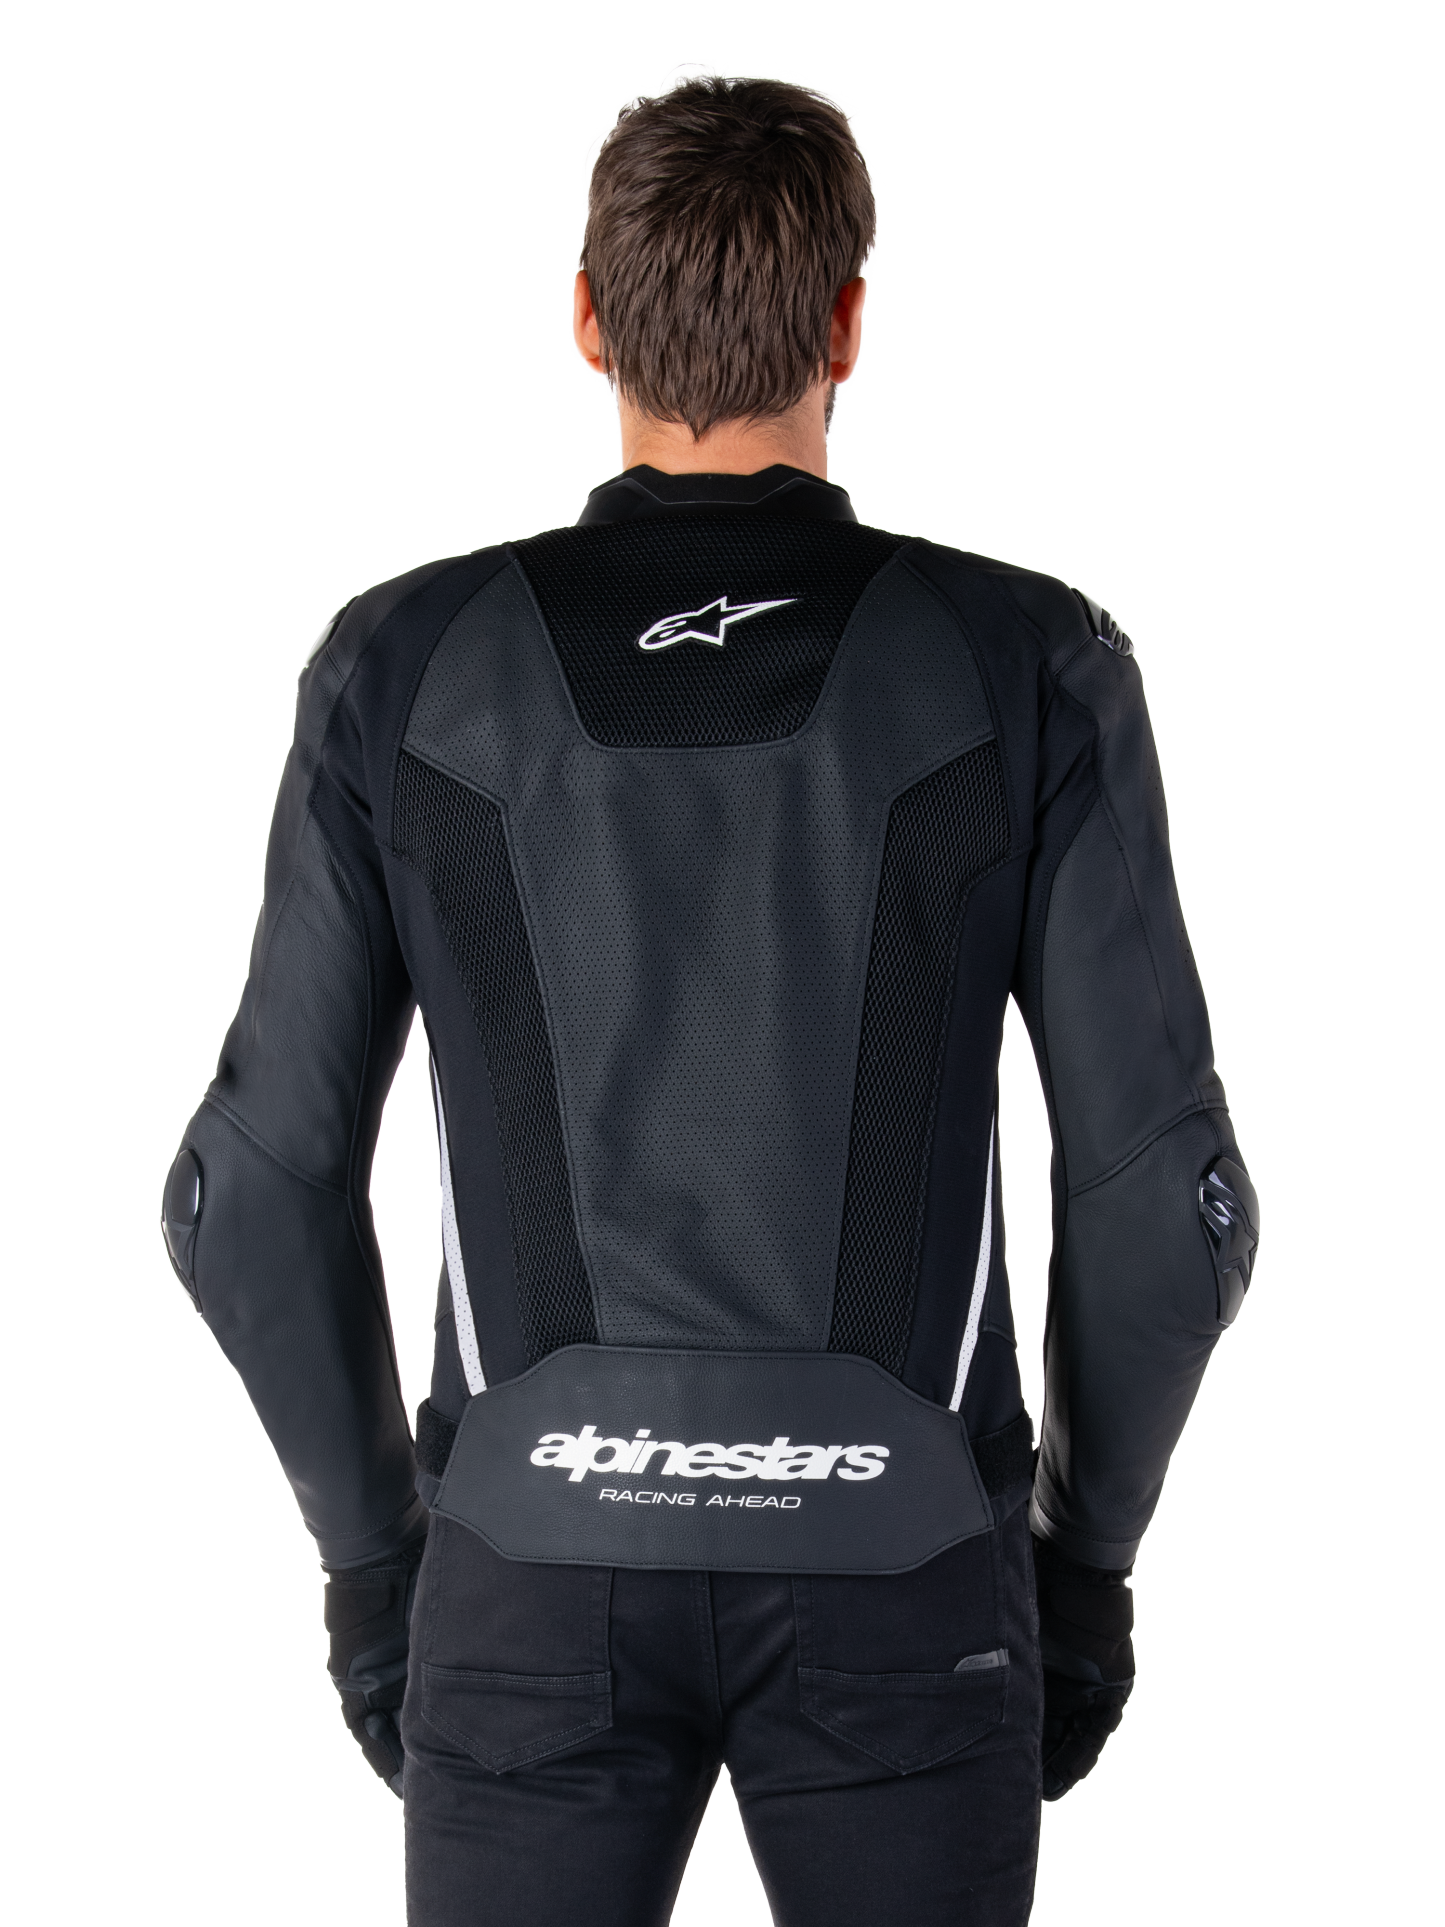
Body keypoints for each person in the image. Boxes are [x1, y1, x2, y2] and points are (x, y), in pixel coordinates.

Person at [162, 71, 1257, 1927]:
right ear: (850, 324)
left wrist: (373, 1569)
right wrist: (1081, 1570)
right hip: (906, 1556)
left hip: (528, 1558)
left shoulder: (403, 665)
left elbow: (251, 1197)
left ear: (589, 322)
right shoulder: (1028, 662)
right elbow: (1169, 1202)